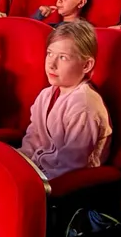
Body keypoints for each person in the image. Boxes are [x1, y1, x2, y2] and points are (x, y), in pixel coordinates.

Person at [19, 21, 112, 179]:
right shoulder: (46, 95)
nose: (51, 64)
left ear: (86, 65)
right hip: (39, 170)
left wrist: (31, 181)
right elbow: (32, 140)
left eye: (63, 57)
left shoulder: (85, 106)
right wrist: (15, 162)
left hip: (65, 182)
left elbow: (72, 166)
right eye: (49, 54)